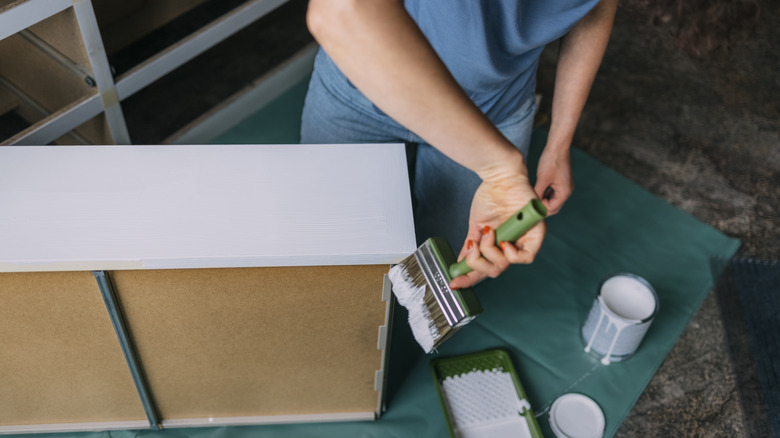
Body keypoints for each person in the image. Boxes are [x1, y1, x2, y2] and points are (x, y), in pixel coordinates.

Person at [301, 0, 619, 289]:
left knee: (454, 263)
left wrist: (559, 142)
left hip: (496, 110)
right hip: (359, 90)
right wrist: (502, 171)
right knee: (332, 254)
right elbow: (340, 11)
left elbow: (595, 7)